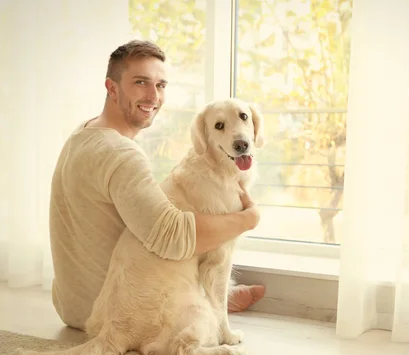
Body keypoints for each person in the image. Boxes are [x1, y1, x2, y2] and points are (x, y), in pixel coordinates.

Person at [49, 40, 265, 331]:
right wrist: (247, 219)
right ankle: (207, 300)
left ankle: (213, 296)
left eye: (161, 85)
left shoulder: (84, 132)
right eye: (141, 82)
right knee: (174, 236)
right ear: (112, 88)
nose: (153, 96)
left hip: (71, 302)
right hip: (111, 310)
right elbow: (173, 237)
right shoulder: (120, 154)